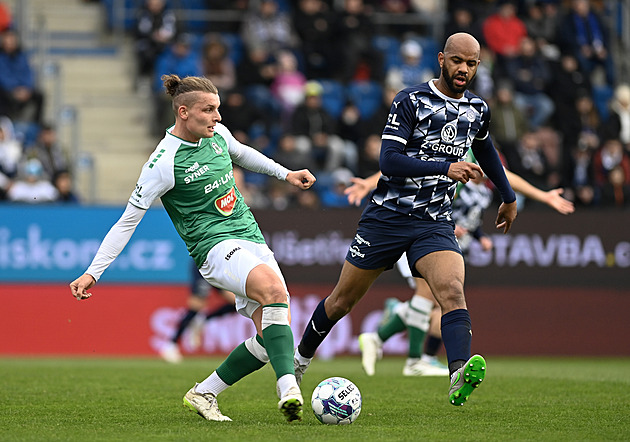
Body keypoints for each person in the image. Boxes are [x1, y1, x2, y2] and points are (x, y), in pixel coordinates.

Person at [69, 74, 316, 422]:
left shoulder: (217, 135)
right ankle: (288, 388)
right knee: (275, 292)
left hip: (250, 235)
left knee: (269, 337)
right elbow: (127, 221)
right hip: (214, 248)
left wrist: (285, 173)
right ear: (183, 112)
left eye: (218, 109)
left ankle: (204, 393)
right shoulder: (162, 163)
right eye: (209, 110)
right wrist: (94, 271)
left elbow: (242, 154)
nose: (217, 117)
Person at [291, 32, 518, 407]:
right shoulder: (411, 100)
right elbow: (389, 162)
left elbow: (486, 148)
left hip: (434, 222)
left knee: (452, 291)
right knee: (342, 302)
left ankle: (457, 371)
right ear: (442, 59)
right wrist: (446, 167)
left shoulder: (478, 108)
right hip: (388, 218)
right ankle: (299, 361)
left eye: (472, 63)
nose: (463, 69)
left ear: (479, 66)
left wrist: (508, 196)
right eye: (457, 61)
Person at [347, 154, 575, 376]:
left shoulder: (480, 188)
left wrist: (479, 236)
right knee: (428, 298)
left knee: (436, 302)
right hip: (424, 238)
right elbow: (403, 164)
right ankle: (414, 360)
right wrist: (368, 183)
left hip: (445, 246)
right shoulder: (458, 174)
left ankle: (385, 332)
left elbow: (500, 182)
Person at [159, 259, 237, 364]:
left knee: (237, 302)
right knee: (195, 307)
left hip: (219, 265)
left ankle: (204, 319)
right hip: (204, 263)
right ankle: (171, 345)